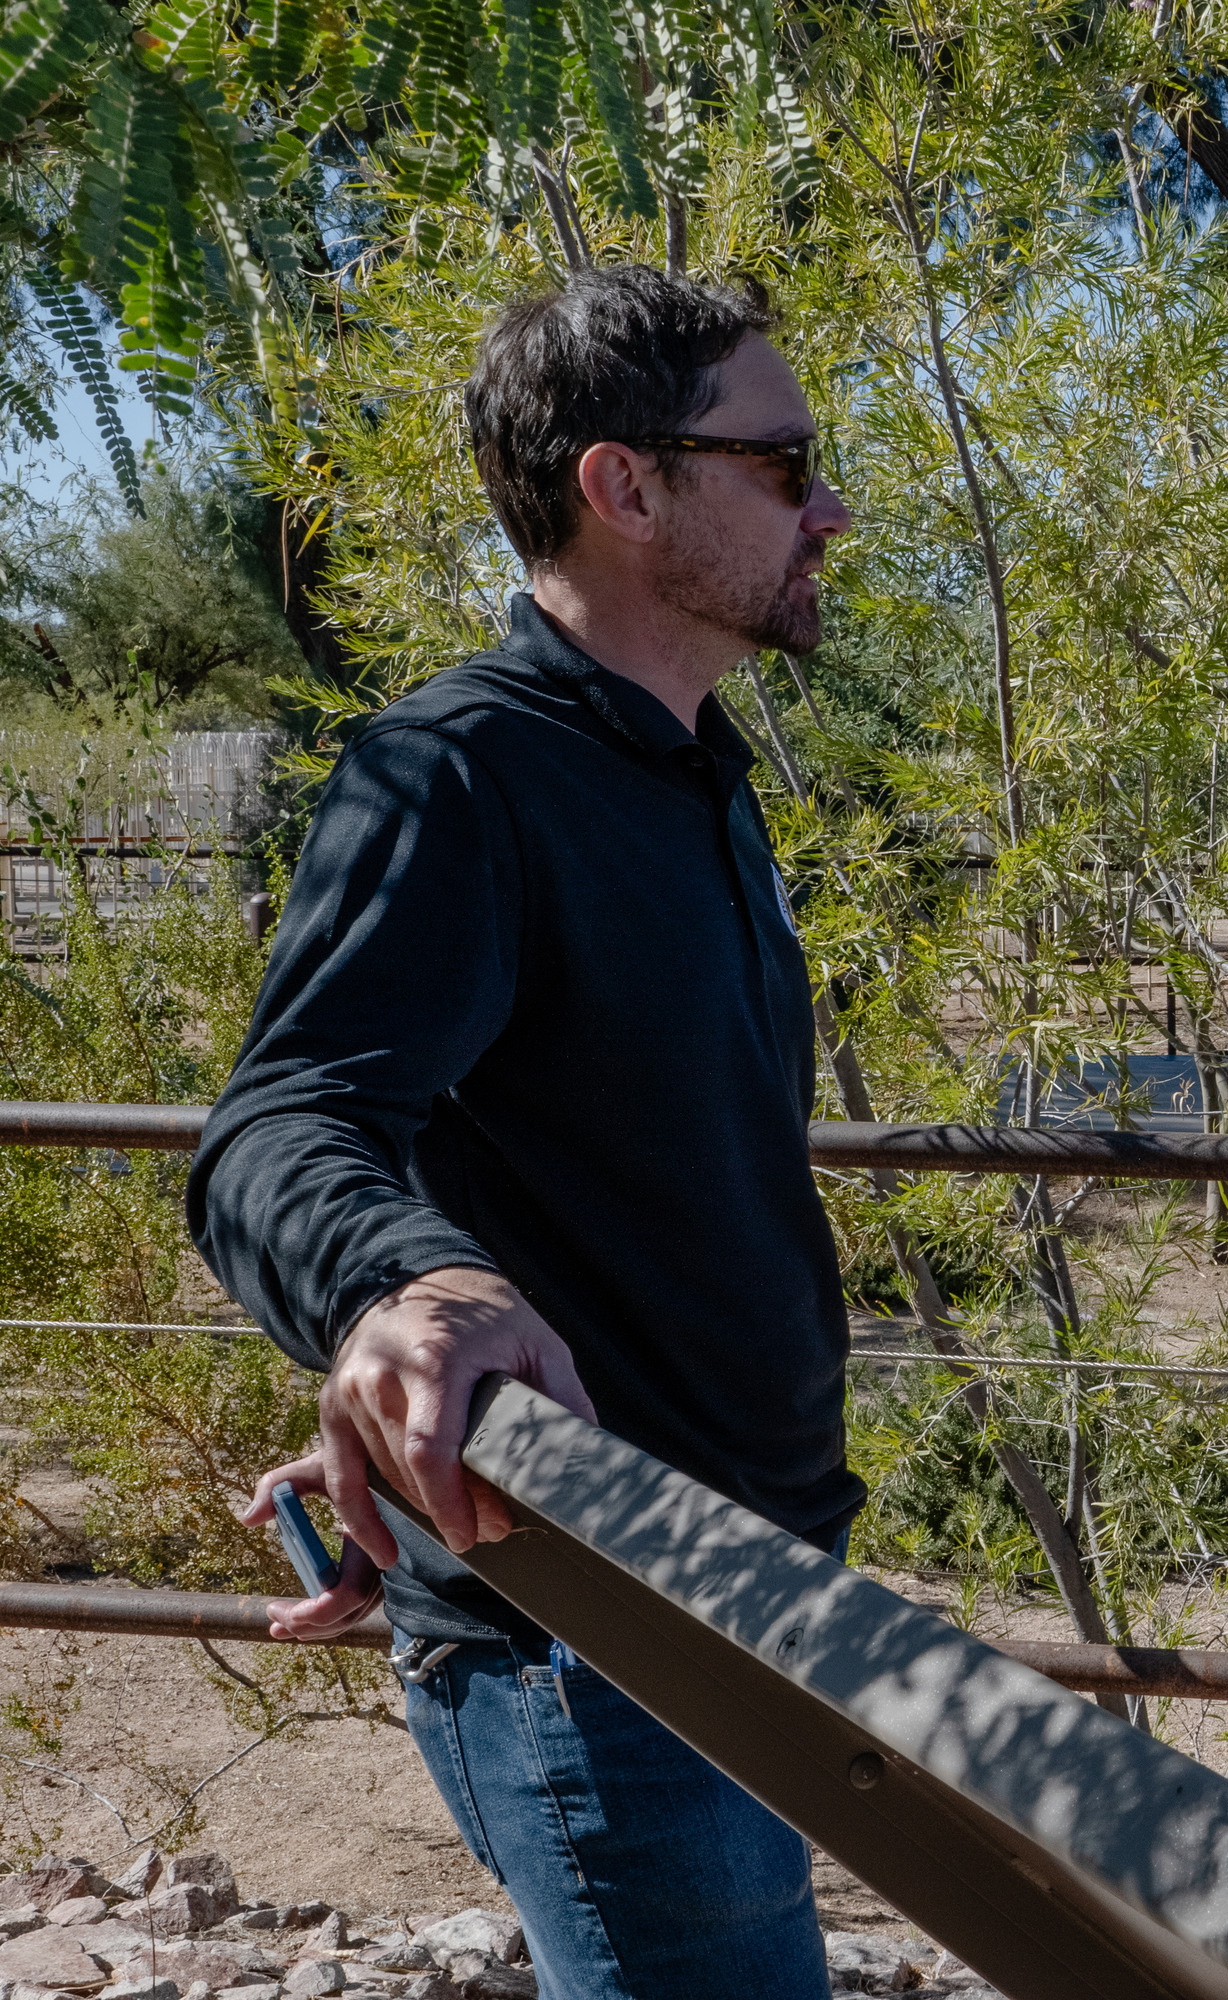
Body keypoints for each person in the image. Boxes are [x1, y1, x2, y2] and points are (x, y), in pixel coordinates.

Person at [190, 264, 857, 1999]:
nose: (831, 508)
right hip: (598, 1642)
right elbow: (285, 1117)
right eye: (786, 466)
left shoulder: (691, 772)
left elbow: (591, 1162)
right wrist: (400, 1297)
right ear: (625, 488)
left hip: (753, 1590)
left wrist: (408, 1393)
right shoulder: (460, 773)